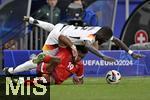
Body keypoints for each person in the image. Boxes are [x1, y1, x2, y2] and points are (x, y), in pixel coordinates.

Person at [3, 16, 144, 75]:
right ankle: (12, 71)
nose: (106, 41)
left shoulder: (99, 30)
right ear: (102, 37)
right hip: (57, 37)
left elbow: (117, 40)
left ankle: (34, 20)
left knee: (53, 27)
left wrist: (131, 53)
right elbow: (88, 46)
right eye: (106, 40)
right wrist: (102, 56)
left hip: (63, 28)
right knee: (39, 60)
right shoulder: (89, 36)